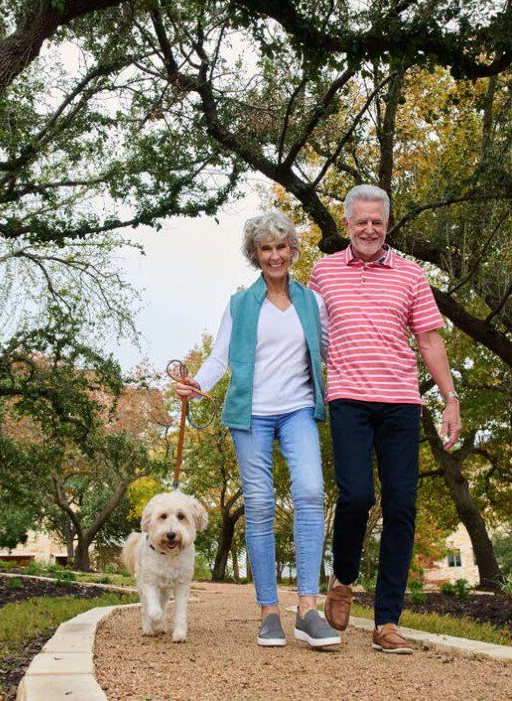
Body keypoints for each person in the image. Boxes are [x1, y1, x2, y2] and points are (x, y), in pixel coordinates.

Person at [174, 211, 340, 648]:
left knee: (309, 492)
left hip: (299, 409)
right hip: (250, 414)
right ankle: (269, 612)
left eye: (281, 247)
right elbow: (217, 357)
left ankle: (307, 609)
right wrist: (197, 385)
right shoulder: (240, 304)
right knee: (261, 505)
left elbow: (330, 352)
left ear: (293, 251)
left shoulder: (312, 302)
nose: (275, 255)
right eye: (265, 249)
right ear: (255, 255)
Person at [309, 184, 462, 654]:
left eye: (378, 221)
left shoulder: (411, 275)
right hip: (349, 399)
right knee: (355, 496)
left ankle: (387, 622)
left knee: (401, 507)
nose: (369, 228)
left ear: (387, 224)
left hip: (401, 403)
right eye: (361, 221)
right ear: (348, 222)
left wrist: (450, 398)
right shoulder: (323, 272)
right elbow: (311, 339)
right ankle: (343, 579)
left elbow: (430, 342)